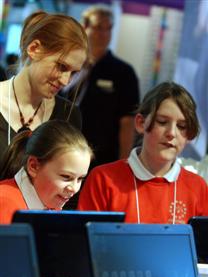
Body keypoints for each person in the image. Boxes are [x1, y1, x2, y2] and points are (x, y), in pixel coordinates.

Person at [78, 81, 208, 224]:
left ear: (189, 135)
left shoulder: (197, 187)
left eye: (182, 126)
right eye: (162, 122)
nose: (171, 133)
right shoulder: (103, 179)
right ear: (140, 123)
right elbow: (87, 241)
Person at [0, 10, 89, 167]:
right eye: (61, 66)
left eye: (73, 73)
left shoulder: (68, 114)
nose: (66, 81)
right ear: (34, 48)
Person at [62, 4, 140, 168]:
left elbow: (128, 122)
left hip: (101, 159)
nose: (103, 34)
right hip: (62, 149)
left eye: (108, 28)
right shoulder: (70, 65)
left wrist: (123, 163)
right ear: (85, 28)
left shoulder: (123, 72)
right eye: (98, 27)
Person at [0, 119, 93, 224]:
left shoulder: (51, 206)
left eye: (80, 179)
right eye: (66, 177)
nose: (74, 188)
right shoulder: (4, 203)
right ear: (33, 166)